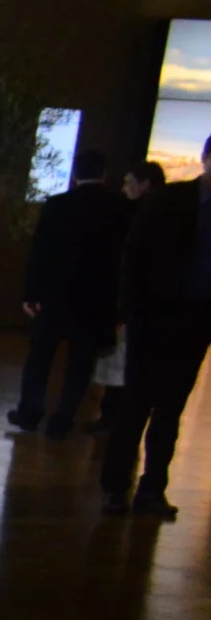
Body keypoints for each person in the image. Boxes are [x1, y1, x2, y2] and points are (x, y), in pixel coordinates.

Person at [101, 138, 211, 519]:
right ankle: (116, 487)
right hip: (154, 318)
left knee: (169, 409)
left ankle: (150, 489)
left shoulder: (171, 200)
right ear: (206, 160)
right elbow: (135, 252)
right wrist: (129, 308)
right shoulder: (170, 200)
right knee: (137, 404)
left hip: (197, 323)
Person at [9, 147, 133, 438]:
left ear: (75, 174)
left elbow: (39, 253)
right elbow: (124, 260)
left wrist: (31, 293)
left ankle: (29, 413)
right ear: (104, 174)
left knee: (40, 356)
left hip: (56, 295)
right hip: (97, 300)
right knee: (81, 363)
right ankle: (63, 420)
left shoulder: (57, 205)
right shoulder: (120, 209)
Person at [85, 160, 164, 434]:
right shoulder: (152, 215)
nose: (124, 188)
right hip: (140, 304)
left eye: (129, 182)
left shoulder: (133, 216)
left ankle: (112, 417)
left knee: (120, 363)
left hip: (133, 304)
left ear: (145, 185)